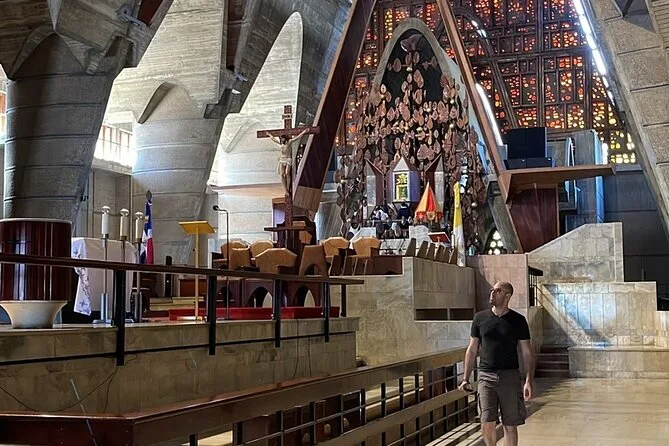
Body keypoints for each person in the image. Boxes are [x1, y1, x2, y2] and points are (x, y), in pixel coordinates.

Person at [458, 281, 534, 446]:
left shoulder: (518, 320)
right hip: (486, 376)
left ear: (507, 296)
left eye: (497, 291)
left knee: (510, 425)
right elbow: (472, 350)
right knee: (486, 422)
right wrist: (465, 378)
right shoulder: (480, 318)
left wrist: (528, 380)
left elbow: (527, 352)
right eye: (492, 290)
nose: (492, 293)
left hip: (510, 376)